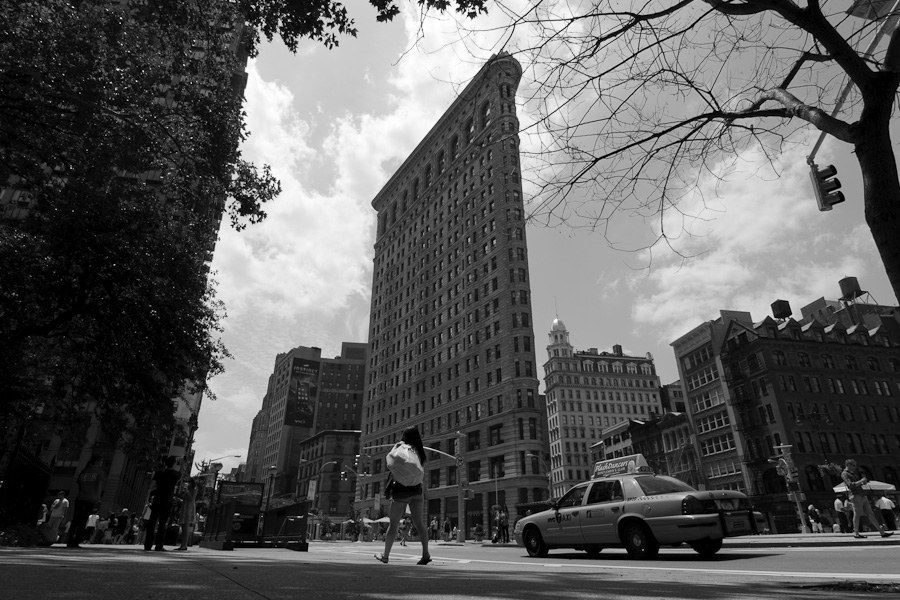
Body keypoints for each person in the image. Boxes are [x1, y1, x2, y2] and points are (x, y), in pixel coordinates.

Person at [374, 426, 431, 565]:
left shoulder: (402, 448)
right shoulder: (420, 452)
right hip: (417, 491)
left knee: (393, 524)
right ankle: (426, 554)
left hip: (402, 491)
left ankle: (385, 556)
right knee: (420, 524)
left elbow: (392, 462)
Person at [841, 458, 893, 539]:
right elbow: (850, 485)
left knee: (870, 513)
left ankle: (882, 532)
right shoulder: (844, 474)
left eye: (855, 465)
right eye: (853, 465)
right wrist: (861, 481)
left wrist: (863, 482)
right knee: (857, 514)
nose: (855, 467)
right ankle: (856, 533)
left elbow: (856, 484)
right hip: (855, 495)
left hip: (862, 494)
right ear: (848, 465)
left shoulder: (852, 473)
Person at [144, 455, 182, 551]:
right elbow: (179, 477)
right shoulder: (176, 474)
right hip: (167, 500)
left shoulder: (159, 473)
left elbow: (151, 486)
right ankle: (159, 545)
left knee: (152, 522)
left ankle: (148, 544)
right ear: (174, 463)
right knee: (162, 523)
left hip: (157, 498)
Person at [67, 456, 106, 548]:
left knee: (75, 519)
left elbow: (79, 483)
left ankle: (70, 540)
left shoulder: (84, 471)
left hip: (80, 497)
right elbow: (99, 487)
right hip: (90, 498)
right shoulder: (99, 472)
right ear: (97, 461)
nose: (102, 463)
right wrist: (98, 498)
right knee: (83, 520)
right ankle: (77, 540)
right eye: (101, 461)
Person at [175, 478, 198, 551]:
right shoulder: (187, 490)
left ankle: (184, 544)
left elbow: (192, 499)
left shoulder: (194, 489)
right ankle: (182, 544)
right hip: (185, 507)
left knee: (186, 526)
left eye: (189, 482)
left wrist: (187, 492)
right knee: (183, 526)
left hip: (189, 508)